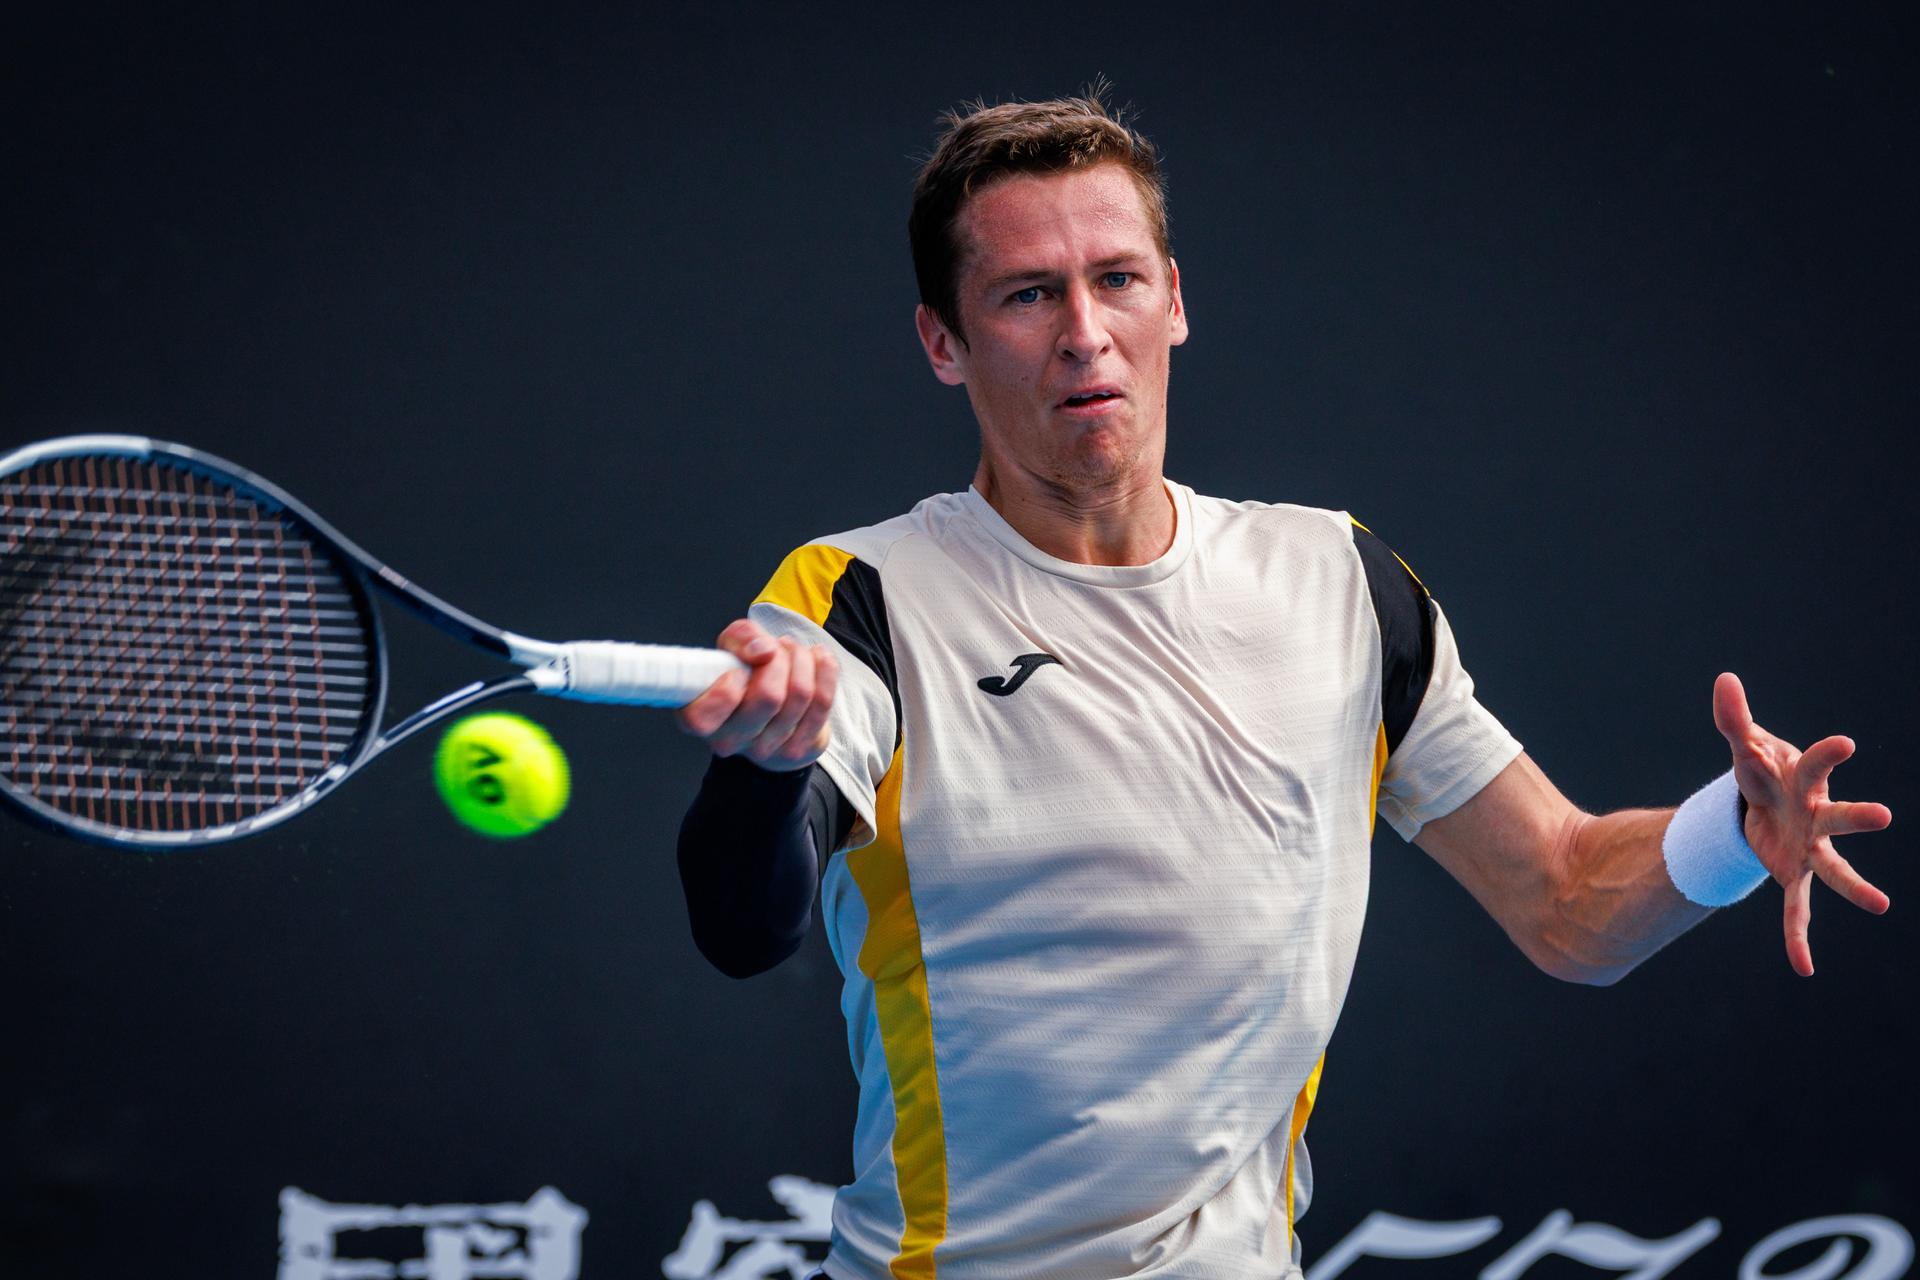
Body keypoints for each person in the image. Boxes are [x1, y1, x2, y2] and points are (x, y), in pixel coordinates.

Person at [672, 90, 1892, 1280]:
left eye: (1118, 278)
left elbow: (1564, 894)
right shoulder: (857, 594)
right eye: (1027, 294)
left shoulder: (1342, 579)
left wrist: (1731, 834)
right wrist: (763, 774)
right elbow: (745, 924)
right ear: (945, 340)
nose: (1084, 331)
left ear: (1176, 301)